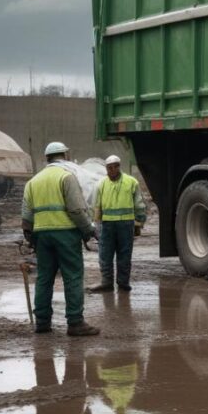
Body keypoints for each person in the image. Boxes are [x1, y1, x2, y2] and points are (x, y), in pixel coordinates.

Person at [22, 142, 100, 335]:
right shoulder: (67, 177)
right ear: (65, 155)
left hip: (42, 235)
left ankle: (42, 322)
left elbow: (26, 216)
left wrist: (30, 237)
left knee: (44, 278)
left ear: (47, 158)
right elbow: (76, 209)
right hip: (65, 233)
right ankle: (75, 322)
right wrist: (88, 230)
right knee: (72, 276)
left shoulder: (33, 181)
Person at [88, 155, 146, 293]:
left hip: (126, 224)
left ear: (119, 166)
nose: (112, 170)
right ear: (106, 169)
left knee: (124, 255)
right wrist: (96, 225)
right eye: (109, 168)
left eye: (115, 167)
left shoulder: (131, 182)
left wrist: (139, 223)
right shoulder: (101, 184)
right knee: (105, 255)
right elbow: (96, 206)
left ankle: (123, 283)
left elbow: (139, 204)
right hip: (107, 225)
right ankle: (107, 282)